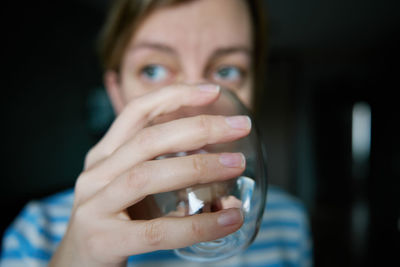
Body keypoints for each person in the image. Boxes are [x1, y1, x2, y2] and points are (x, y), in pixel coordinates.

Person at [0, 0, 312, 266]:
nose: (193, 108)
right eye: (154, 70)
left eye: (227, 71)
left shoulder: (290, 223)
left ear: (254, 92)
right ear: (117, 94)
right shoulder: (36, 233)